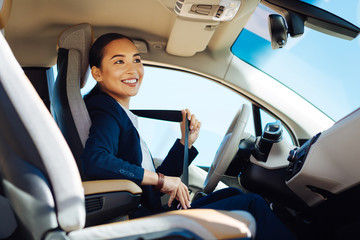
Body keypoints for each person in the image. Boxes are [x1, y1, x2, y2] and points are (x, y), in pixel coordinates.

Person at [81, 33, 295, 240]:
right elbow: (95, 160)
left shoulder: (120, 113)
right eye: (119, 62)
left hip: (152, 210)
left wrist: (185, 143)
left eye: (136, 60)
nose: (133, 69)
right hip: (142, 220)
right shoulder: (106, 109)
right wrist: (162, 180)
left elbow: (151, 186)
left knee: (233, 195)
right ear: (97, 73)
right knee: (252, 205)